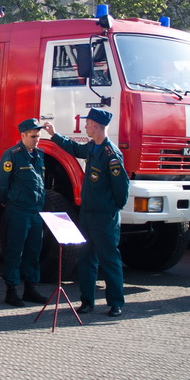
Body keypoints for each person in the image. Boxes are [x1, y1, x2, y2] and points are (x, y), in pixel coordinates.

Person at [44, 108, 129, 317]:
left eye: (88, 123)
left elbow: (122, 190)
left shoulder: (112, 155)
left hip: (103, 216)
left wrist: (110, 210)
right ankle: (87, 301)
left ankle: (116, 303)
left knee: (109, 260)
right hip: (87, 214)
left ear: (96, 126)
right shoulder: (92, 147)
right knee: (85, 258)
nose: (85, 126)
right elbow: (74, 148)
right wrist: (54, 135)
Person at [0, 118, 48, 307]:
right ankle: (11, 290)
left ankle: (30, 289)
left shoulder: (39, 154)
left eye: (38, 136)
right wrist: (6, 202)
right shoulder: (12, 155)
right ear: (23, 135)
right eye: (33, 136)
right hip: (18, 211)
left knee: (33, 251)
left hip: (35, 211)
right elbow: (1, 182)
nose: (36, 140)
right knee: (15, 251)